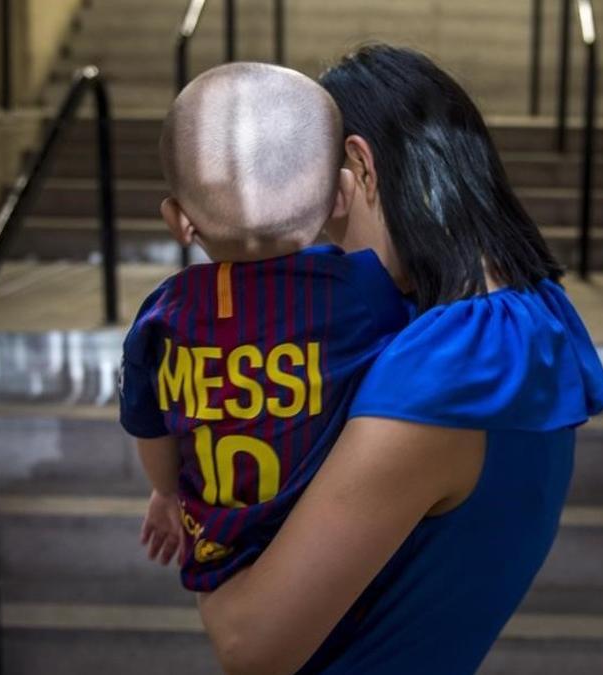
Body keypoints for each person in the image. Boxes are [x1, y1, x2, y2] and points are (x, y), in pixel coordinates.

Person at [196, 45, 603, 674]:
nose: (321, 236)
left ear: (359, 165)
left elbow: (249, 645)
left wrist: (199, 490)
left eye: (321, 203)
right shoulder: (532, 318)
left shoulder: (445, 372)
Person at [119, 62, 410, 591]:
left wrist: (165, 494)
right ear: (341, 195)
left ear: (179, 220)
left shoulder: (162, 316)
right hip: (333, 544)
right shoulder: (362, 291)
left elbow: (150, 426)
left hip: (216, 548)